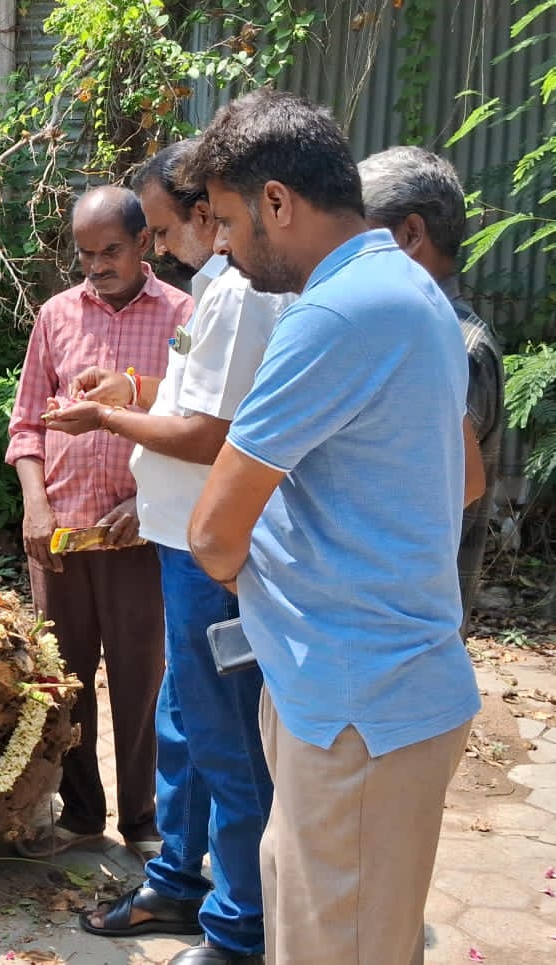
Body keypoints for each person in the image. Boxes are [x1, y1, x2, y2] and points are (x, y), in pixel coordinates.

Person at [183, 90, 485, 965]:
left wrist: (268, 581)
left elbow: (210, 532)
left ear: (278, 201)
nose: (225, 247)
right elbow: (464, 475)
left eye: (232, 220)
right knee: (350, 931)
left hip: (355, 701)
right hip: (376, 689)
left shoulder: (328, 314)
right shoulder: (411, 289)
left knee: (334, 945)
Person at [47, 142, 291, 965]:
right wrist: (130, 391)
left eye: (154, 227)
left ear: (199, 212)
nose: (165, 243)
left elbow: (214, 431)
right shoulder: (217, 291)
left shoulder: (238, 296)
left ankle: (239, 927)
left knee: (223, 737)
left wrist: (109, 421)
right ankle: (182, 881)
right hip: (184, 542)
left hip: (210, 549)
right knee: (188, 723)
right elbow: (190, 398)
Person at [7, 185, 191, 864]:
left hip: (142, 535)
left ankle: (143, 819)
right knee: (64, 679)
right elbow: (26, 422)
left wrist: (148, 505)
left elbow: (195, 429)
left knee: (143, 680)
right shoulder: (55, 315)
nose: (94, 265)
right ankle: (80, 811)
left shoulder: (184, 317)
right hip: (59, 536)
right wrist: (35, 504)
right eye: (84, 254)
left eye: (109, 250)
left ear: (144, 243)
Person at [359, 146, 504, 636]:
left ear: (410, 235)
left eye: (358, 237)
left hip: (405, 629)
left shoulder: (457, 344)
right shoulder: (402, 331)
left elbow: (438, 492)